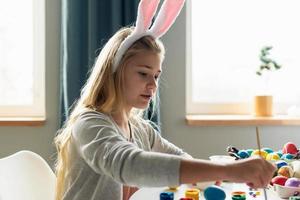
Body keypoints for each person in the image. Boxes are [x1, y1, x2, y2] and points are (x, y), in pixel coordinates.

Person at [54, 0, 276, 200]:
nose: (153, 85)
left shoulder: (140, 130)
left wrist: (214, 173)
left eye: (156, 76)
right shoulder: (89, 124)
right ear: (114, 71)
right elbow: (130, 164)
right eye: (143, 73)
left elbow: (179, 158)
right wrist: (227, 171)